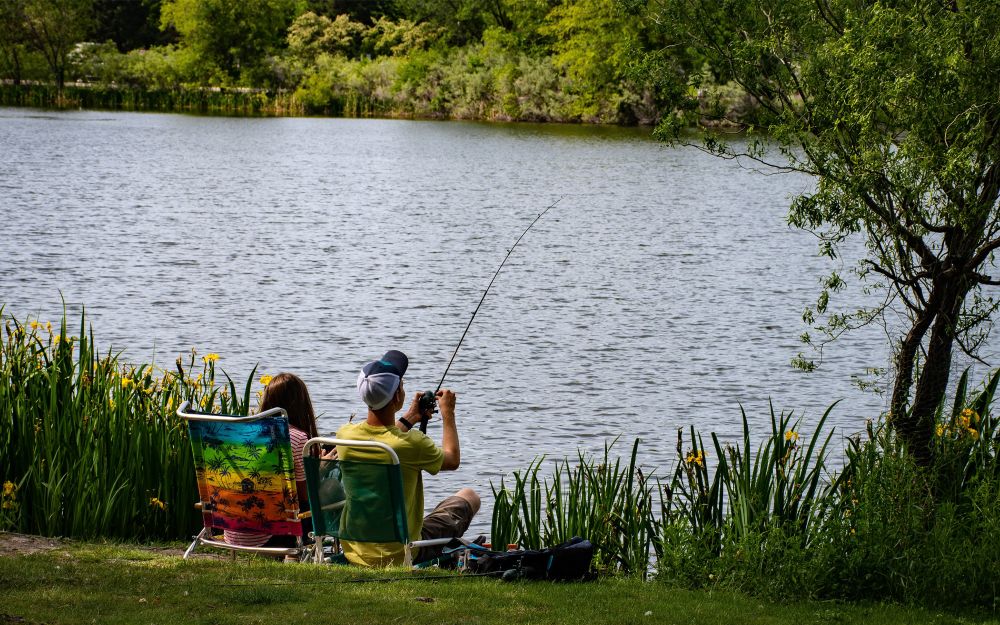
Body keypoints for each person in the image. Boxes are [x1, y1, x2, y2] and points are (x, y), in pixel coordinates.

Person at [335, 349, 480, 567]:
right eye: (401, 385)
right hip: (401, 551)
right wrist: (448, 413)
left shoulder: (345, 435)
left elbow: (385, 440)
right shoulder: (412, 444)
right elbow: (452, 459)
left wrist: (411, 417)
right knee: (469, 496)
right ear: (397, 396)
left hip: (355, 549)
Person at [224, 372, 319, 548]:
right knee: (320, 497)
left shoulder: (243, 433)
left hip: (234, 531)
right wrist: (320, 469)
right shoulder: (297, 438)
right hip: (271, 536)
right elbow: (305, 495)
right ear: (301, 404)